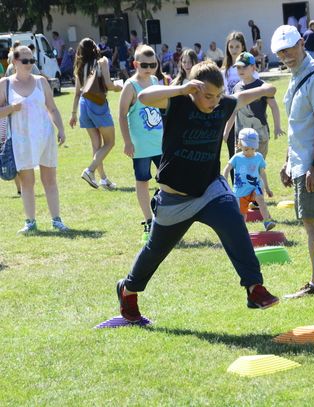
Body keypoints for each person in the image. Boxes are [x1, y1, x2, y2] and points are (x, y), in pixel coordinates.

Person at [115, 60, 280, 322]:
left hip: (209, 190)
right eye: (207, 95)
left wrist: (265, 89)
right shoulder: (178, 103)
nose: (213, 101)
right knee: (155, 251)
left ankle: (254, 287)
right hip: (175, 198)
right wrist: (179, 89)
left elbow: (242, 96)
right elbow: (144, 97)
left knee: (234, 223)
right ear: (193, 89)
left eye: (217, 95)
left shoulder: (222, 105)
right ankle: (129, 289)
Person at [270, 25, 314, 298]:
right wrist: (288, 162)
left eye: (290, 49)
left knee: (312, 222)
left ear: (302, 43)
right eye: (281, 52)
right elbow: (297, 125)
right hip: (302, 162)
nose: (286, 56)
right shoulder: (296, 76)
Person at [0, 45, 68, 234]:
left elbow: (52, 108)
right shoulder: (5, 84)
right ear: (14, 62)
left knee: (50, 180)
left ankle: (57, 220)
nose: (29, 64)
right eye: (25, 61)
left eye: (32, 60)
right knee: (27, 182)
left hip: (45, 136)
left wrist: (60, 129)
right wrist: (11, 108)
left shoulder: (41, 82)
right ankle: (30, 222)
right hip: (21, 139)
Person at [118, 45, 163, 244]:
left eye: (152, 65)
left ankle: (161, 214)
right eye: (144, 65)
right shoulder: (130, 86)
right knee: (142, 181)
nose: (148, 68)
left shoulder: (155, 80)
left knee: (167, 180)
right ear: (135, 64)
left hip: (160, 143)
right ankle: (148, 220)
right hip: (141, 146)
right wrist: (127, 142)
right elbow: (121, 115)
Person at [70, 38, 122, 189]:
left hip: (83, 105)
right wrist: (119, 86)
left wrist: (73, 113)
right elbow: (108, 85)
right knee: (110, 142)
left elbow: (77, 92)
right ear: (94, 48)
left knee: (96, 144)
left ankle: (103, 179)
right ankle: (90, 170)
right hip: (97, 104)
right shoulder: (102, 61)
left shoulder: (79, 67)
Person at [224, 51, 284, 159]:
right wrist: (226, 131)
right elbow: (233, 112)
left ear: (253, 67)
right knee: (241, 169)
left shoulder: (262, 87)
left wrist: (277, 127)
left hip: (259, 136)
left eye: (244, 67)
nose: (240, 70)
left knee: (256, 168)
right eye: (238, 68)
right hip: (240, 138)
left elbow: (274, 106)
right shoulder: (236, 88)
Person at [222, 128, 276, 231]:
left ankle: (267, 221)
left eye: (253, 148)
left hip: (255, 186)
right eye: (246, 149)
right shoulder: (237, 158)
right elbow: (226, 170)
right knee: (242, 214)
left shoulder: (259, 157)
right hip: (241, 191)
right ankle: (242, 231)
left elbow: (262, 173)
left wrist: (267, 189)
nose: (250, 152)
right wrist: (225, 186)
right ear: (239, 144)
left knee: (261, 200)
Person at [222, 31, 249, 176]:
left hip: (245, 116)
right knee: (234, 155)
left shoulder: (249, 67)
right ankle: (236, 192)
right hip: (229, 117)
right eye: (231, 47)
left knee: (248, 154)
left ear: (242, 47)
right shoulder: (224, 71)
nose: (233, 50)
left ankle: (251, 191)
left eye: (237, 47)